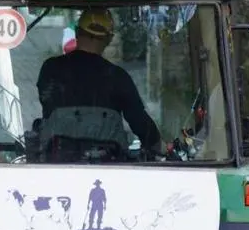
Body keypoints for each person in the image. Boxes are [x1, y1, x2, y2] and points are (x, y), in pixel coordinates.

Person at [36, 9, 161, 155]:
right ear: (108, 39)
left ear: (77, 32)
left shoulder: (50, 69)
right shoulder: (118, 77)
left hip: (55, 165)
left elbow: (47, 106)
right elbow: (139, 122)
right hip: (112, 167)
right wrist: (157, 145)